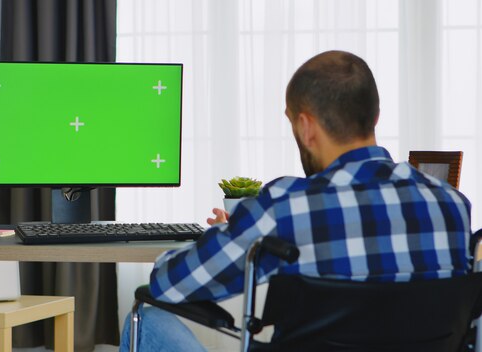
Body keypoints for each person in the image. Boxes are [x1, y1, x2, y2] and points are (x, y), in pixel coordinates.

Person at [119, 50, 472, 351]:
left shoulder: (287, 207)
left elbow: (169, 283)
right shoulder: (452, 205)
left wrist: (238, 233)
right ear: (374, 116)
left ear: (305, 127)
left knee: (146, 318)